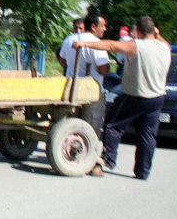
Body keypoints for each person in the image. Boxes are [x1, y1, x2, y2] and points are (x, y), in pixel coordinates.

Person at [72, 16, 170, 180]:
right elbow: (163, 42)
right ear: (154, 31)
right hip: (157, 98)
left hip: (136, 96)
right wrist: (158, 35)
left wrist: (84, 44)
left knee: (112, 124)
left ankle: (108, 159)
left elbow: (110, 44)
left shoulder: (136, 46)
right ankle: (143, 172)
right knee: (147, 135)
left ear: (137, 31)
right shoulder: (165, 47)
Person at [59, 13, 110, 138]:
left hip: (72, 89)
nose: (104, 29)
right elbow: (103, 70)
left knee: (71, 126)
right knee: (90, 127)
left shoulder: (69, 40)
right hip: (92, 91)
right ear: (93, 26)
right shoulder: (97, 44)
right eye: (102, 26)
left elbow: (62, 62)